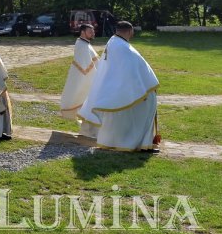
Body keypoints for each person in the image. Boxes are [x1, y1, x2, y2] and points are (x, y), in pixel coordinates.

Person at [79, 21, 159, 153]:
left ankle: (125, 142)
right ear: (130, 31)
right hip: (129, 91)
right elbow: (131, 71)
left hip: (118, 89)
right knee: (138, 115)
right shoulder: (121, 47)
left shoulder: (114, 42)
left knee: (121, 119)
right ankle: (140, 144)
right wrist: (142, 91)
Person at [59, 24, 101, 139]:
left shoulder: (85, 44)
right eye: (90, 31)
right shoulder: (82, 45)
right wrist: (98, 79)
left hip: (90, 78)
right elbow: (86, 67)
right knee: (90, 104)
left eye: (93, 31)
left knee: (91, 105)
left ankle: (92, 130)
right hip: (87, 80)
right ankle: (89, 131)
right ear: (83, 32)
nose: (93, 33)